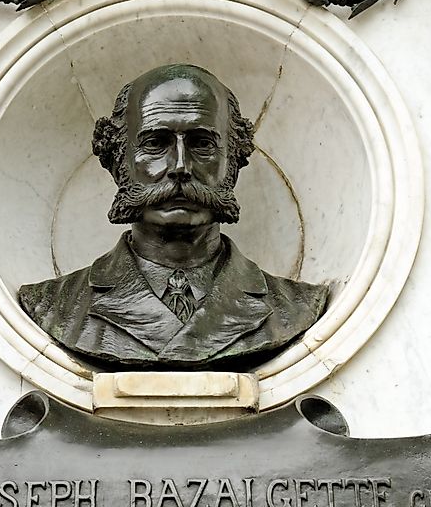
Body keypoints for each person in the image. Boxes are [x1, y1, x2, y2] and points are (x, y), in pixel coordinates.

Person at [19, 64, 329, 368]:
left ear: (233, 161)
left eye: (202, 143)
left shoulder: (293, 307)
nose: (181, 165)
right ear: (118, 161)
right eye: (155, 143)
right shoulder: (57, 304)